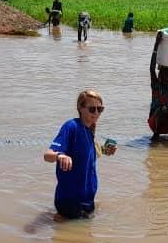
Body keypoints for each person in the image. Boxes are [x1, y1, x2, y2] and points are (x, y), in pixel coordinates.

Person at [43, 90, 116, 219]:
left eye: (100, 109)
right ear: (80, 108)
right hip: (70, 202)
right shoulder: (71, 127)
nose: (97, 113)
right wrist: (60, 156)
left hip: (87, 201)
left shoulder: (88, 130)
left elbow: (86, 153)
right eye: (92, 109)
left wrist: (105, 150)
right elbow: (47, 155)